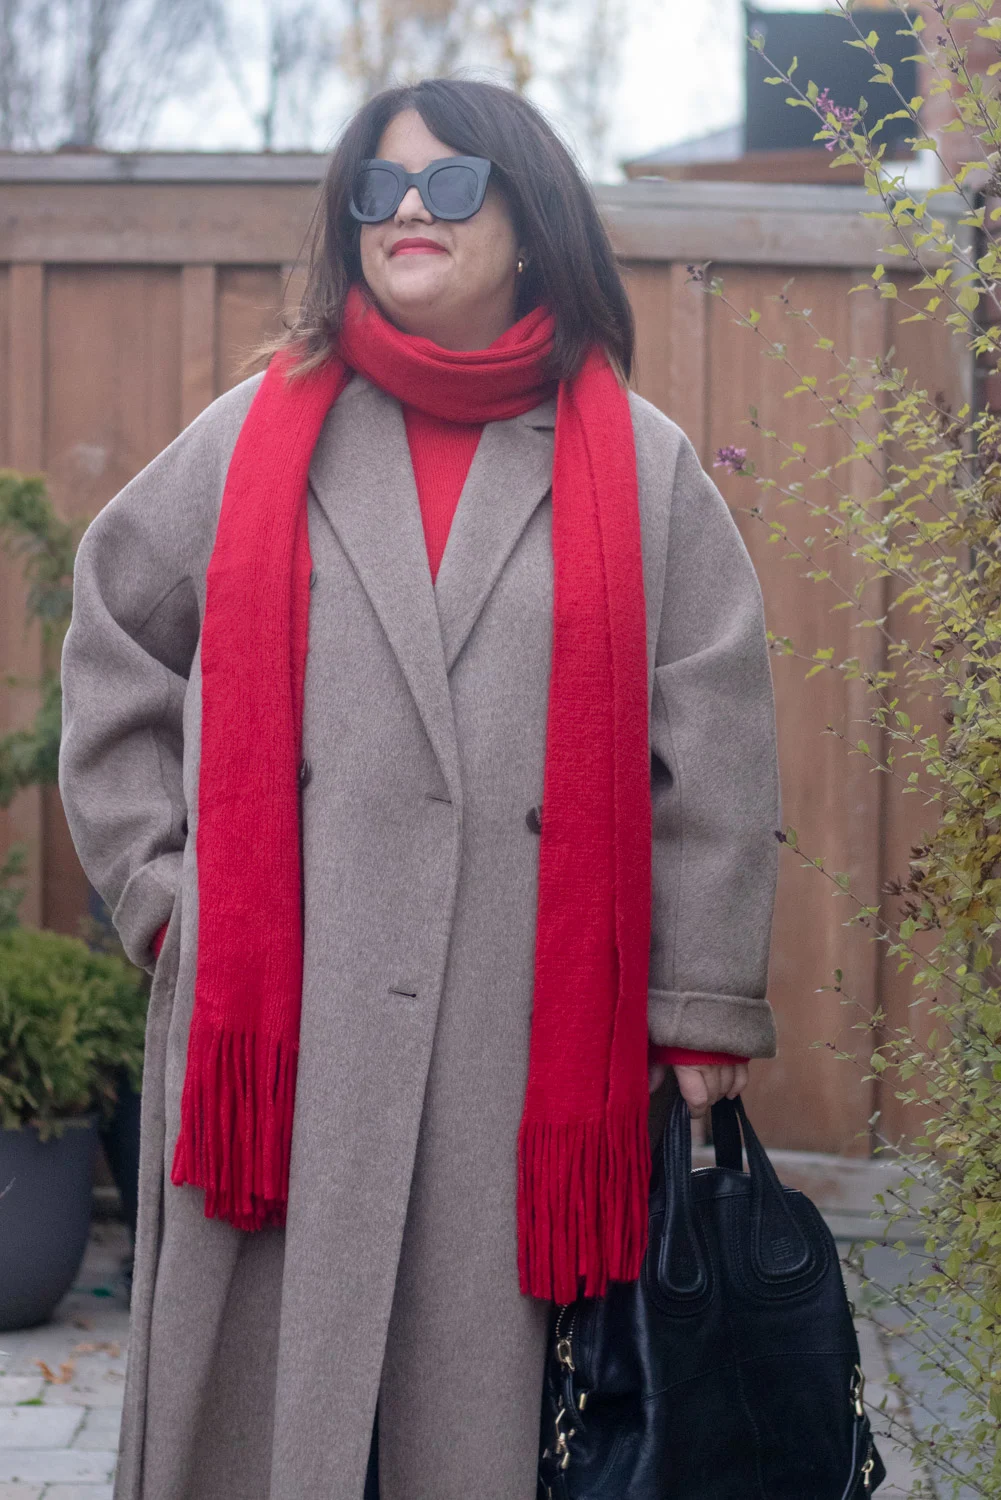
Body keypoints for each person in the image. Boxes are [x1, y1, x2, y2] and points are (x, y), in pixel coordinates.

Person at [58, 77, 780, 1500]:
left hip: (519, 1038)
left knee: (486, 1435)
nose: (406, 211)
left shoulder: (641, 469)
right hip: (285, 1039)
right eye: (376, 188)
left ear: (527, 219)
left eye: (449, 187)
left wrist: (700, 1004)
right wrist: (163, 894)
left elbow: (717, 727)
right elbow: (112, 633)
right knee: (270, 1431)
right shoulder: (259, 434)